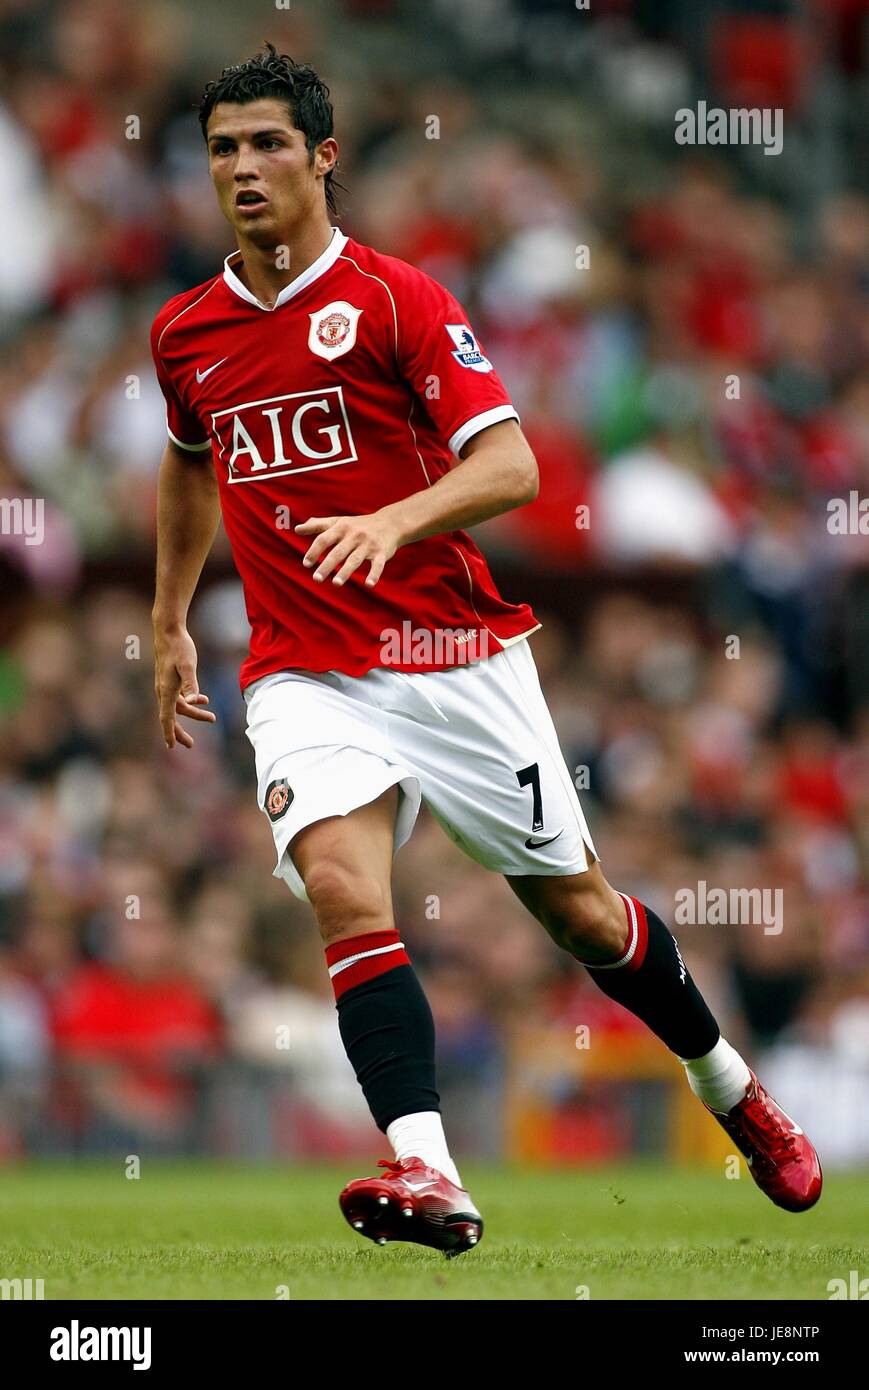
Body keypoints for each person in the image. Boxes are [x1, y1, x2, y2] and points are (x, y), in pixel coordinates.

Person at [150, 44, 821, 1257]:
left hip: (447, 654)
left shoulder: (400, 298)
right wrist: (163, 624)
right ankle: (427, 1167)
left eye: (264, 145)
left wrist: (393, 519)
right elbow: (190, 459)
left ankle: (725, 1081)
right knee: (344, 887)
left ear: (321, 158)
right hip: (302, 668)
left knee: (577, 913)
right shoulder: (186, 332)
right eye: (221, 149)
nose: (240, 169)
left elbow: (508, 466)